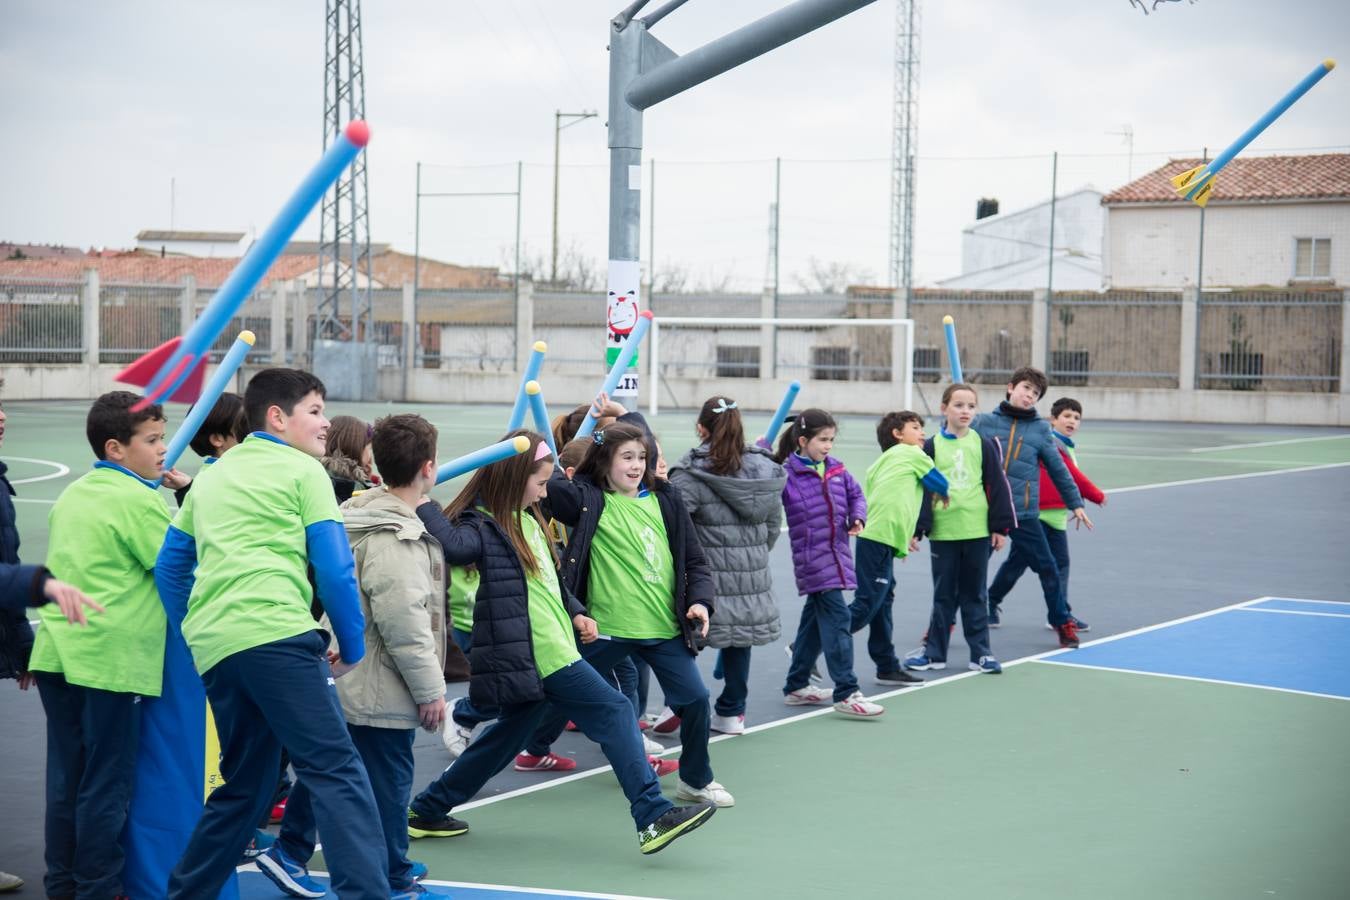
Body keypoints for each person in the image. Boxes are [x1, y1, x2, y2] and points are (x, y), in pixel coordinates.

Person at [407, 430, 716, 855]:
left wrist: (575, 611)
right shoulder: (483, 524)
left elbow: (548, 581)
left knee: (506, 738)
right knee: (614, 709)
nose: (543, 492)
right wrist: (421, 499)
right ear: (514, 479)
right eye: (538, 482)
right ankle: (651, 813)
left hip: (556, 643)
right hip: (539, 651)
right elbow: (456, 548)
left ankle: (427, 808)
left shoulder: (529, 520)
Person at [157, 368, 388, 898]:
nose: (326, 423)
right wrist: (351, 647)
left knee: (245, 787)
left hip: (220, 648)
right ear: (277, 417)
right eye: (315, 410)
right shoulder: (305, 472)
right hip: (279, 637)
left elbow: (172, 567)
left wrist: (195, 631)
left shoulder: (211, 474)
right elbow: (334, 571)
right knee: (337, 772)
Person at [268, 413, 448, 899]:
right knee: (388, 782)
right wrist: (431, 691)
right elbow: (405, 623)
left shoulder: (361, 514)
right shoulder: (397, 537)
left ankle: (290, 849)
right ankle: (393, 873)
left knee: (332, 768)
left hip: (344, 671)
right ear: (428, 468)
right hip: (377, 682)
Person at [26, 391, 175, 900]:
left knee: (67, 781)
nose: (164, 450)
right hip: (110, 660)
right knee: (107, 783)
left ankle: (63, 884)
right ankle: (99, 886)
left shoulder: (76, 493)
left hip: (57, 654)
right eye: (153, 440)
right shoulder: (138, 501)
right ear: (116, 448)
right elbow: (178, 569)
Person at [545, 421, 731, 806]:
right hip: (605, 630)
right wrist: (569, 459)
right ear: (604, 461)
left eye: (642, 457)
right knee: (547, 696)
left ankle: (695, 779)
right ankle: (515, 741)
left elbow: (695, 561)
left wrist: (700, 601)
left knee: (695, 699)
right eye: (626, 457)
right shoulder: (587, 498)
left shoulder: (666, 499)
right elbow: (551, 489)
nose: (636, 465)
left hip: (662, 628)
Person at [668, 396, 785, 735]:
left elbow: (675, 530)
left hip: (704, 574)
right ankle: (732, 712)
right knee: (739, 639)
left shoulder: (689, 474)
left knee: (684, 638)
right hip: (751, 571)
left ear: (701, 428)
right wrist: (753, 555)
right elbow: (772, 525)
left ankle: (676, 705)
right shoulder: (764, 470)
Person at [771, 408, 885, 717]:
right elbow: (759, 486)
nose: (828, 446)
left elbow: (857, 495)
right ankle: (847, 691)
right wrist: (761, 453)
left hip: (836, 556)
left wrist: (858, 516)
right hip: (812, 559)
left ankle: (796, 685)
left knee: (813, 624)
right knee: (838, 623)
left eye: (831, 440)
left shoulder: (836, 469)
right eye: (823, 440)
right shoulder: (785, 473)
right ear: (803, 440)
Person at [973, 367, 1092, 648]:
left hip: (1024, 513)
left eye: (1035, 393)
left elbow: (1059, 469)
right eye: (1026, 388)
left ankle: (1062, 623)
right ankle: (942, 627)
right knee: (970, 574)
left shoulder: (1040, 429)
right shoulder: (983, 423)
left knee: (1048, 568)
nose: (1029, 396)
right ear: (1011, 387)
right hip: (987, 514)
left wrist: (1075, 503)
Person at [905, 384, 1016, 674]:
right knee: (944, 596)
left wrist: (1000, 527)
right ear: (944, 409)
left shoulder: (983, 443)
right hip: (945, 533)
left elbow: (997, 485)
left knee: (975, 594)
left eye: (970, 406)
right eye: (958, 405)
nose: (965, 411)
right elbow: (922, 491)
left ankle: (981, 653)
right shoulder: (930, 446)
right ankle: (934, 654)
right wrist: (917, 529)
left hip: (977, 531)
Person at [847, 410, 949, 686]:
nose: (922, 433)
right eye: (915, 427)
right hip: (880, 538)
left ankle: (886, 665)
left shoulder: (880, 463)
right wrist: (945, 489)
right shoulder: (913, 454)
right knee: (867, 603)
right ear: (898, 434)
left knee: (882, 603)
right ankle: (807, 647)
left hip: (878, 537)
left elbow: (890, 499)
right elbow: (940, 482)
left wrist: (904, 535)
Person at [989, 397, 1106, 633]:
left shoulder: (1067, 446)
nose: (1072, 421)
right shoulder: (1049, 441)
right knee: (1027, 564)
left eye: (1076, 418)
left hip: (1056, 516)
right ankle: (1056, 613)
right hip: (1035, 514)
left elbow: (1065, 480)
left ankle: (1059, 612)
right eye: (1066, 416)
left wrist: (1074, 504)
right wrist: (1096, 495)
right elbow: (1070, 476)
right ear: (1053, 419)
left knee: (1052, 564)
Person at [323, 414, 378, 503]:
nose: (370, 457)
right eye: (369, 449)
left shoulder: (317, 470)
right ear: (356, 448)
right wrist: (367, 483)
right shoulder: (350, 486)